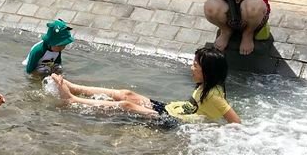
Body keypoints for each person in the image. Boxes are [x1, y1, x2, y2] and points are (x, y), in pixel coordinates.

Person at [51, 44, 240, 124]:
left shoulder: (214, 95)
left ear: (208, 71)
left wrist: (209, 131)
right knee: (127, 94)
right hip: (169, 109)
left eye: (195, 65)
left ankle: (72, 99)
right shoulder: (205, 85)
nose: (191, 68)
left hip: (173, 121)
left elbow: (236, 123)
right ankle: (75, 87)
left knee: (127, 105)